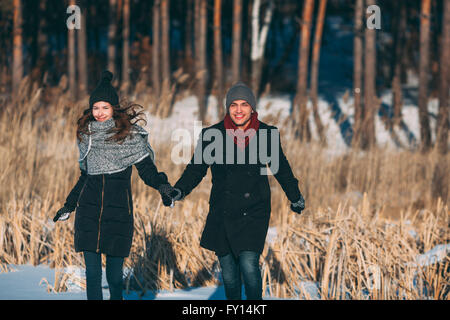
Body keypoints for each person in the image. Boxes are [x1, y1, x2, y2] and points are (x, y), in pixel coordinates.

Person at [171, 81, 305, 300]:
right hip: (223, 210)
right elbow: (196, 169)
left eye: (244, 104)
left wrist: (295, 196)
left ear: (252, 108)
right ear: (228, 107)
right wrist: (179, 190)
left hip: (254, 209)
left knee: (249, 264)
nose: (239, 109)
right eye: (234, 105)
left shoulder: (266, 134)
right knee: (230, 276)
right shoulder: (211, 135)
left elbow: (282, 169)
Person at [53, 71, 176, 300]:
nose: (99, 113)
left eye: (105, 107)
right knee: (91, 274)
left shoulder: (129, 138)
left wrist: (164, 187)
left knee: (115, 276)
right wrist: (69, 206)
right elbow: (84, 177)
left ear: (114, 109)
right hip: (88, 212)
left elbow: (148, 172)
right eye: (96, 108)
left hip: (118, 214)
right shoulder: (86, 137)